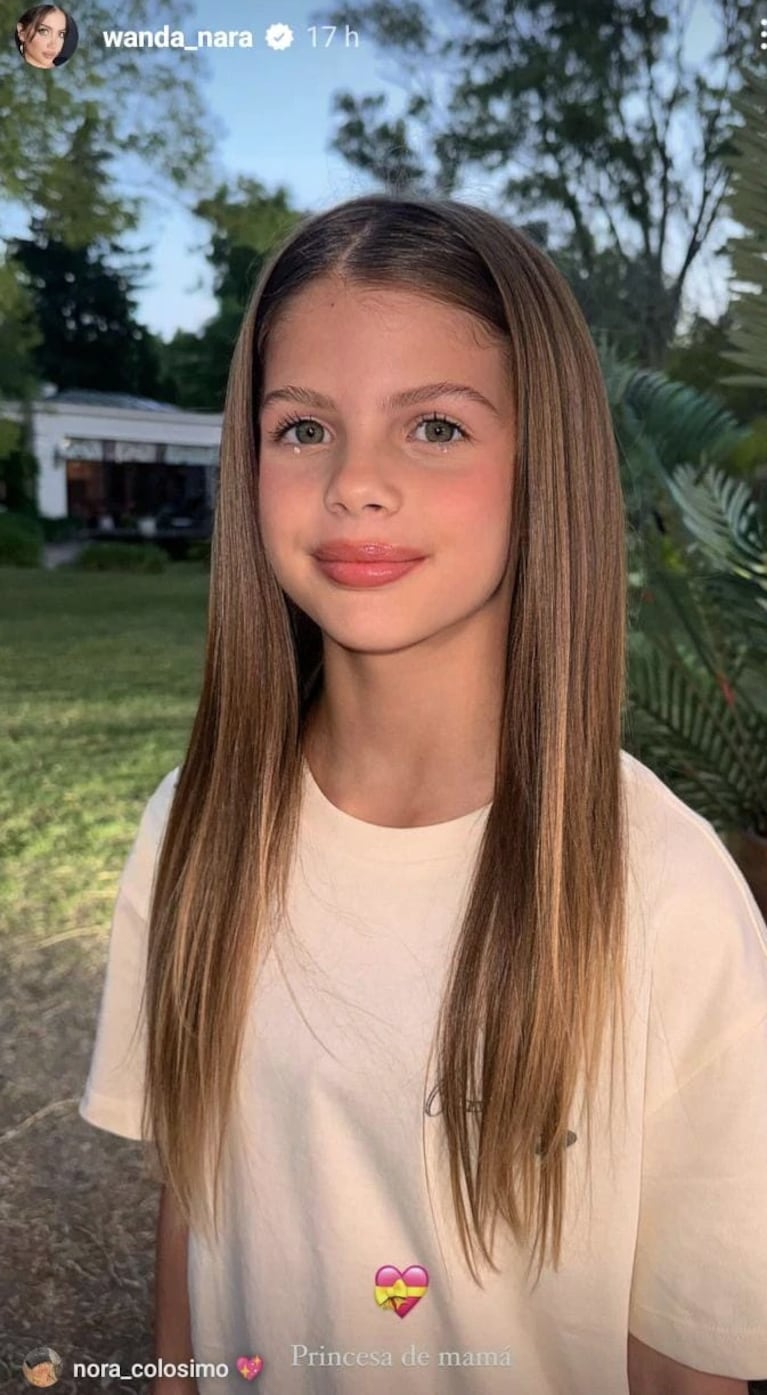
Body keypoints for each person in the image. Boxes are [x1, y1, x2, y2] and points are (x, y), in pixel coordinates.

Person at [79, 195, 767, 1395]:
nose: (355, 484)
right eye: (302, 429)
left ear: (540, 460)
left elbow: (683, 1361)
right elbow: (196, 1212)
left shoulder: (666, 900)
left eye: (435, 427)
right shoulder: (192, 830)